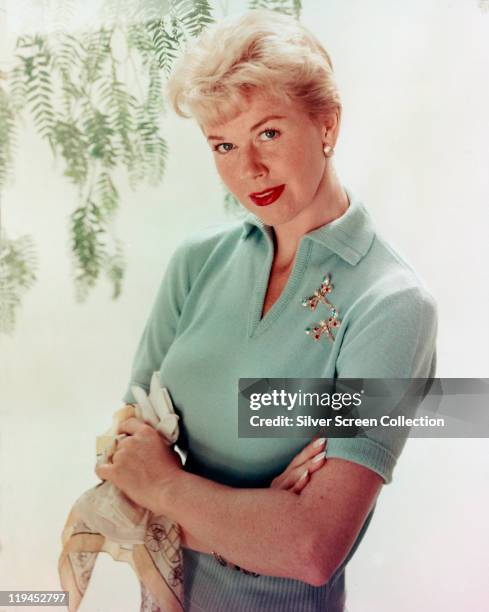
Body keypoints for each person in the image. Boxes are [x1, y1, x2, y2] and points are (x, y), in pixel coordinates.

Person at [96, 9, 437, 611]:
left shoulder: (391, 305)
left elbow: (310, 548)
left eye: (269, 133)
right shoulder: (197, 262)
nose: (246, 169)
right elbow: (120, 465)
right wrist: (252, 518)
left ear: (327, 125)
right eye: (223, 145)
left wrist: (169, 485)